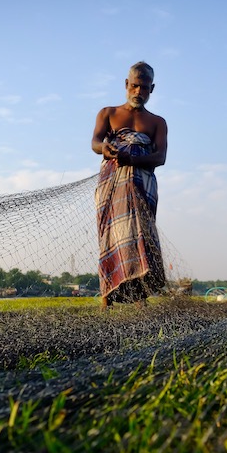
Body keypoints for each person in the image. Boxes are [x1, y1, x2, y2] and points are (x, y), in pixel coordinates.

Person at [92, 61, 168, 309]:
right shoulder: (108, 113)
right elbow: (95, 142)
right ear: (126, 84)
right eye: (134, 86)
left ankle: (140, 297)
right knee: (111, 235)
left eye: (144, 88)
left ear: (151, 89)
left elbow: (160, 158)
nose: (138, 92)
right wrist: (104, 148)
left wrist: (133, 159)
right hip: (113, 183)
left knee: (141, 237)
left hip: (143, 184)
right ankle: (107, 297)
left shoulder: (157, 122)